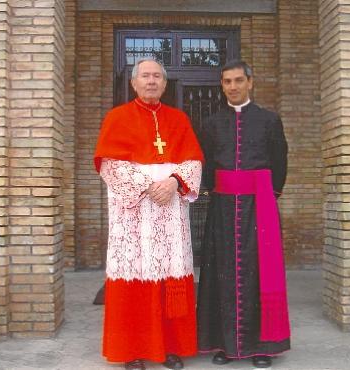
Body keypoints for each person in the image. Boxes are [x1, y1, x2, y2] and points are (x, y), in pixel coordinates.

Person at [94, 59, 203, 370]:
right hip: (134, 216)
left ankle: (169, 348)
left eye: (157, 76)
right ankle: (133, 351)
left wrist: (173, 182)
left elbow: (193, 162)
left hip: (170, 213)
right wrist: (148, 184)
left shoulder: (179, 119)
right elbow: (110, 165)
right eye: (146, 76)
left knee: (169, 279)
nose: (152, 81)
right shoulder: (117, 118)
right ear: (134, 82)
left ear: (165, 84)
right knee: (136, 277)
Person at [197, 60, 290, 368]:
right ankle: (225, 345)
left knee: (260, 274)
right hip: (223, 207)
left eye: (238, 80)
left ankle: (261, 347)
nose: (233, 87)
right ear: (221, 85)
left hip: (259, 205)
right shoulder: (211, 123)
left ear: (250, 82)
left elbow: (280, 159)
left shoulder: (269, 120)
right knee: (221, 274)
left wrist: (268, 194)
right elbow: (206, 164)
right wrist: (213, 192)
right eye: (227, 81)